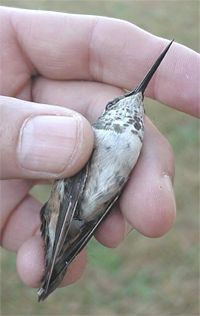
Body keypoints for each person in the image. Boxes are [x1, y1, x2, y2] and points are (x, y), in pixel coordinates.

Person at [0, 7, 199, 290]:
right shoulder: (95, 135)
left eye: (138, 105)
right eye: (115, 102)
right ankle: (58, 256)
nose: (133, 101)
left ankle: (59, 257)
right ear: (108, 112)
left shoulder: (134, 142)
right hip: (75, 207)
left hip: (85, 209)